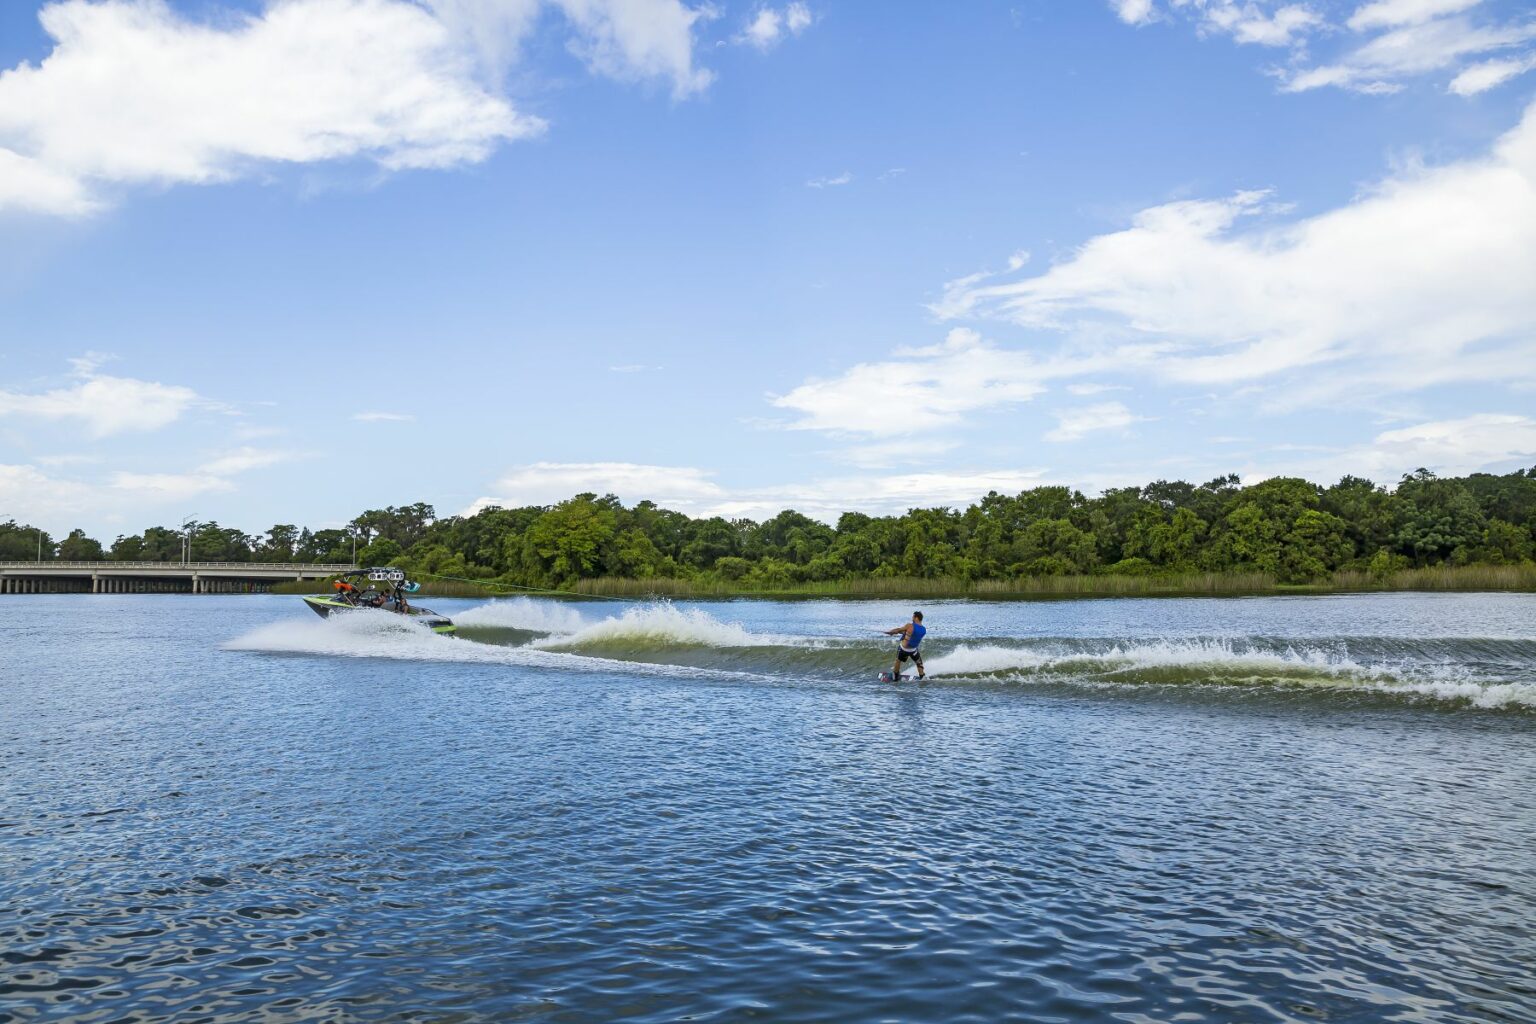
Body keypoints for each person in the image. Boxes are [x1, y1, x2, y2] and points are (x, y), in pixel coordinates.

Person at [884, 611, 926, 680]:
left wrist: (890, 632)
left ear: (916, 618)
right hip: (913, 650)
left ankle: (895, 675)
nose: (912, 618)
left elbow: (898, 630)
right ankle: (922, 676)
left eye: (913, 617)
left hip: (903, 649)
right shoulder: (923, 630)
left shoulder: (910, 625)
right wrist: (899, 632)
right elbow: (910, 634)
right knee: (919, 664)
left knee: (898, 661)